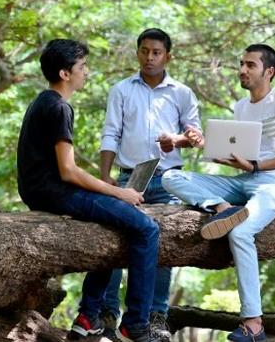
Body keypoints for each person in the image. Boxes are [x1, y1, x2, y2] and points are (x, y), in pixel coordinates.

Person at [16, 39, 163, 342]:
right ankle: (134, 324)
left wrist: (104, 185)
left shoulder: (43, 101)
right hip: (55, 194)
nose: (87, 72)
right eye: (82, 67)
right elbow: (68, 170)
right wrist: (119, 193)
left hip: (41, 191)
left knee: (113, 229)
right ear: (65, 73)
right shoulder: (58, 107)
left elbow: (60, 166)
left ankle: (87, 317)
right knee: (147, 229)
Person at [162, 44, 275, 342]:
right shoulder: (241, 107)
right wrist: (211, 148)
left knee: (240, 233)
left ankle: (253, 324)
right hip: (243, 181)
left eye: (250, 65)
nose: (242, 70)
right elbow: (239, 154)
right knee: (171, 177)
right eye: (241, 63)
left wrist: (257, 165)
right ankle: (220, 207)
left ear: (269, 72)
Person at [98, 28, 202, 341]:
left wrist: (178, 140)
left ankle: (156, 317)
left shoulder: (182, 93)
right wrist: (105, 178)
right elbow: (110, 134)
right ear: (138, 53)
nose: (150, 57)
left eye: (156, 52)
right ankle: (107, 314)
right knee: (115, 240)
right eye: (144, 51)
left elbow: (196, 137)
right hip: (130, 177)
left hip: (169, 179)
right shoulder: (121, 89)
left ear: (168, 56)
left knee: (164, 245)